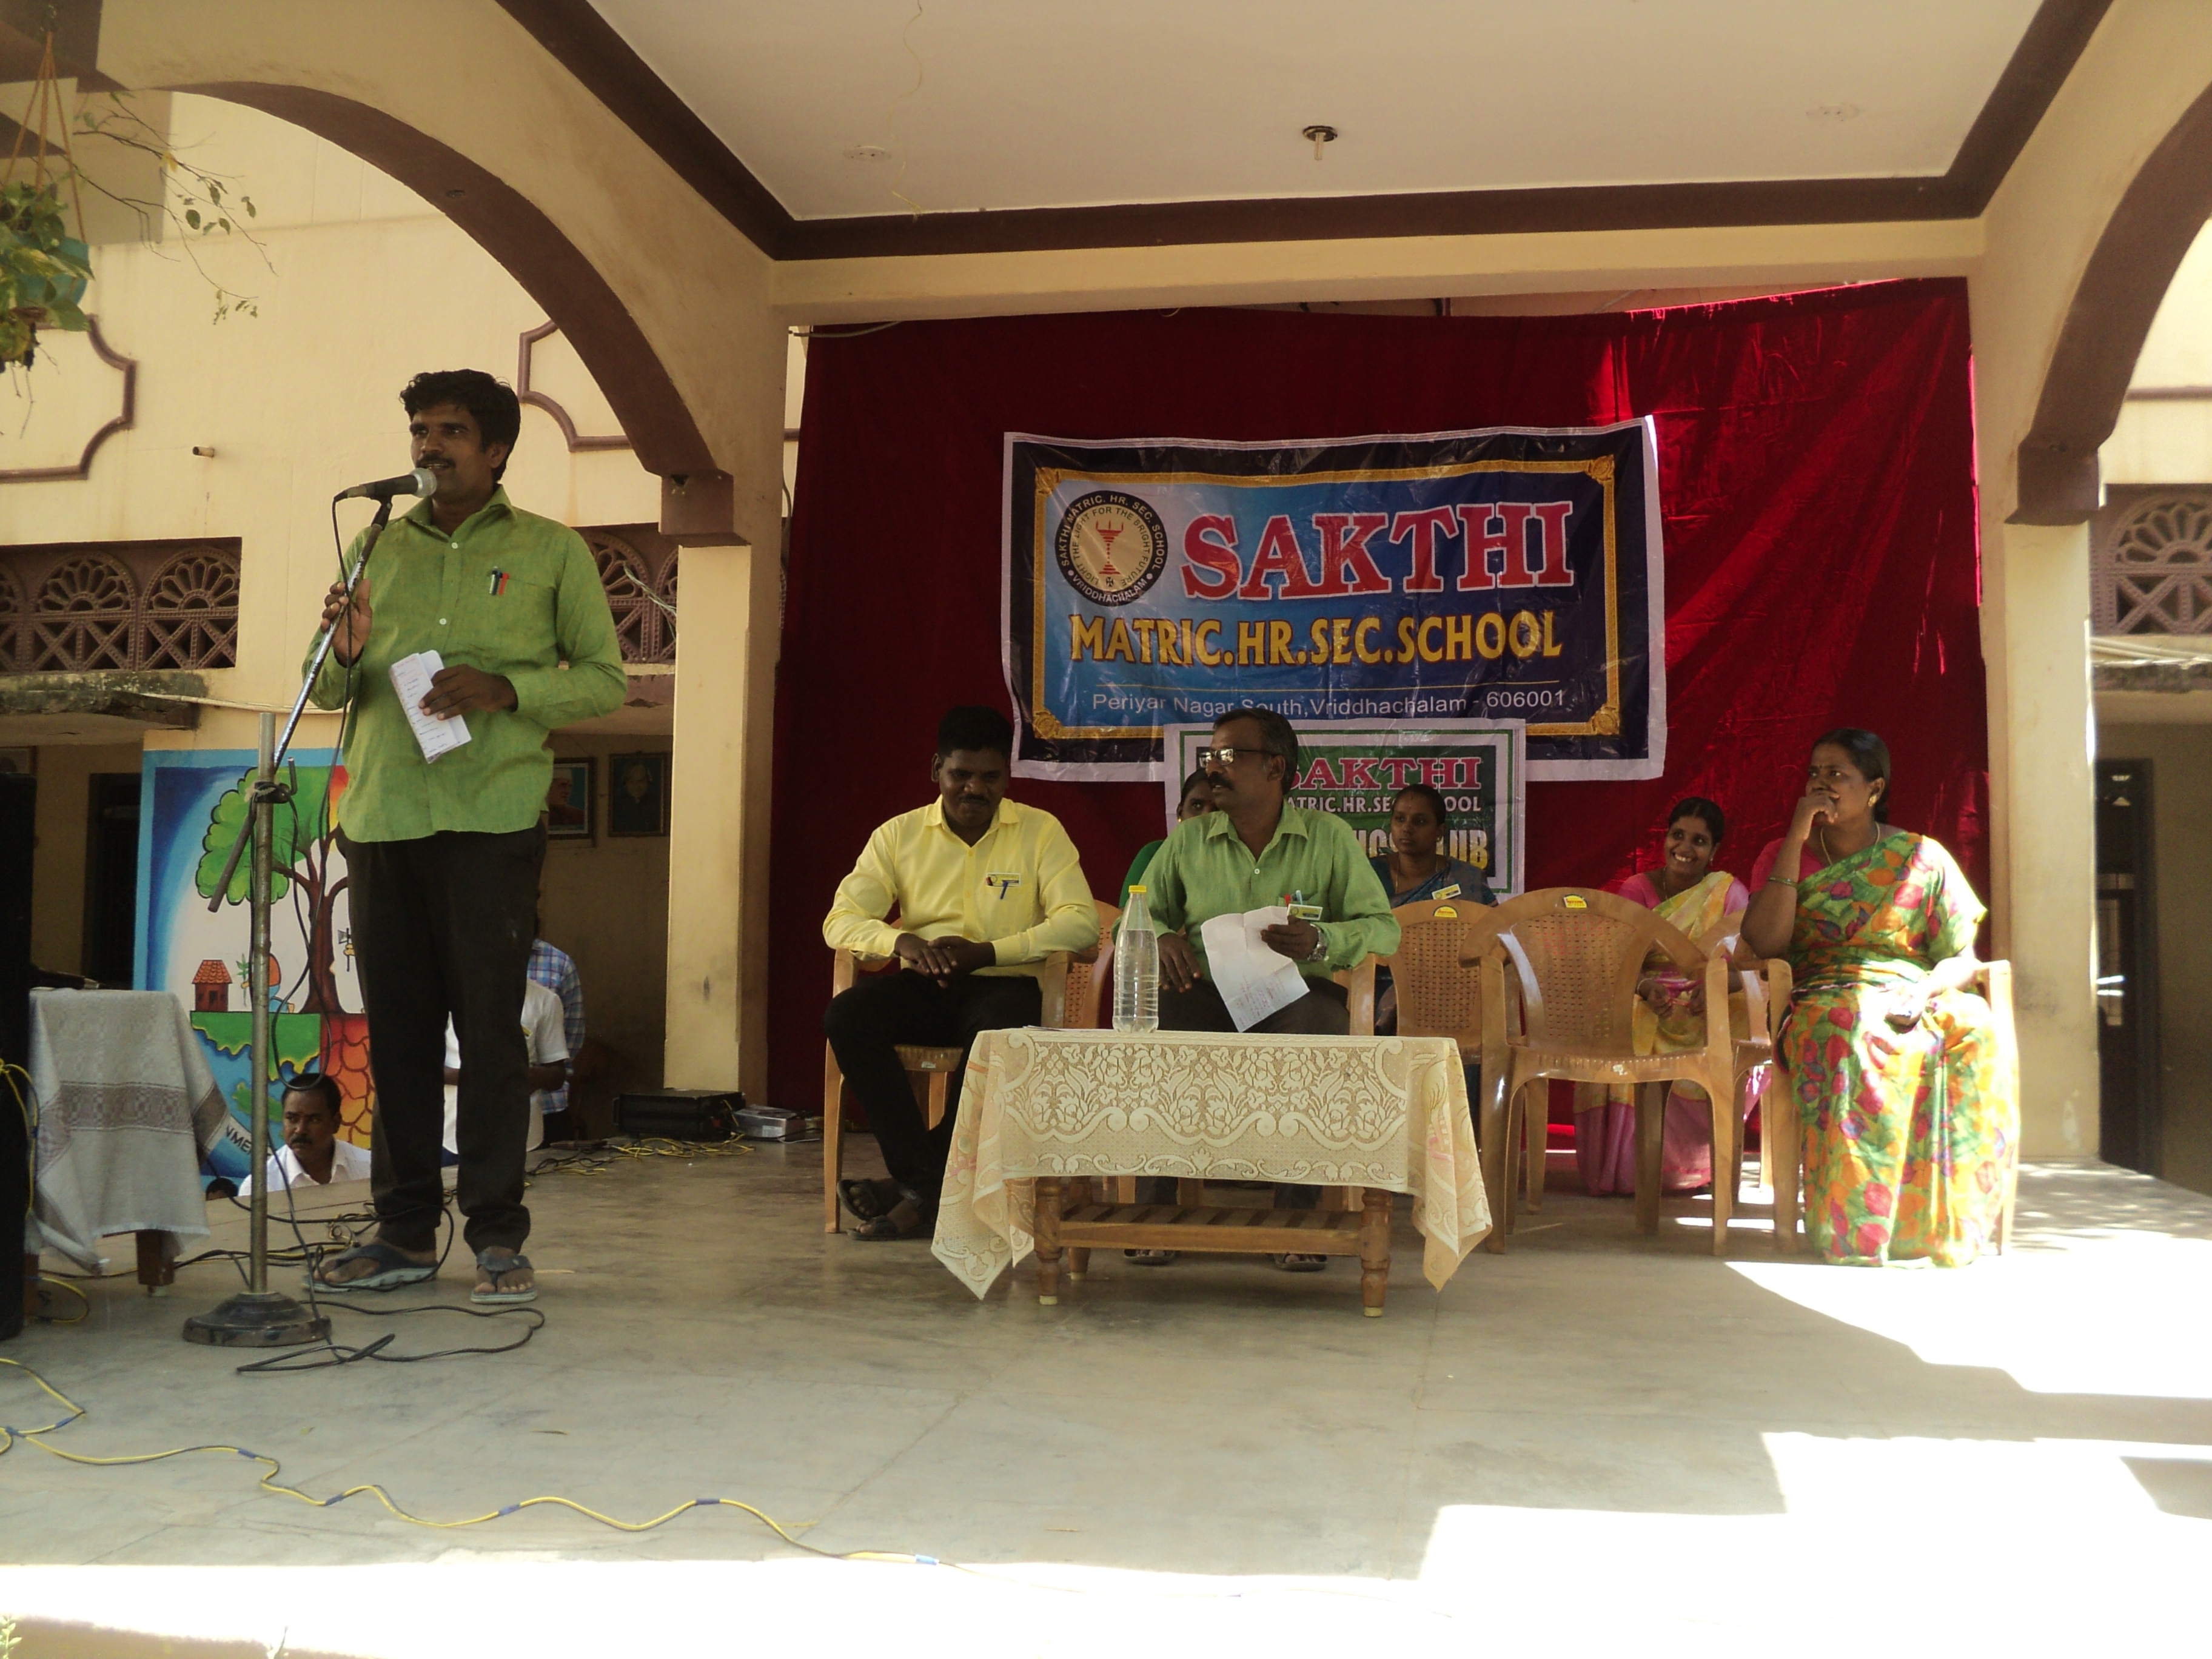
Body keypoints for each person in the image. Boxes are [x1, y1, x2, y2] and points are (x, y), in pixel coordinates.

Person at [307, 368, 625, 1305]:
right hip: (384, 818)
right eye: (419, 429)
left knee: (489, 1037)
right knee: (398, 1037)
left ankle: (495, 1237)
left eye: (449, 431)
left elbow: (606, 679)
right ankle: (404, 1233)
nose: (428, 446)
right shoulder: (375, 545)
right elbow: (328, 690)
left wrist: (507, 688)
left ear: (495, 450)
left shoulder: (551, 550)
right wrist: (345, 650)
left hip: (492, 820)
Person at [823, 705, 1100, 1241]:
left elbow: (1081, 923)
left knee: (1000, 1031)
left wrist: (989, 952)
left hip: (1004, 986)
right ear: (937, 770)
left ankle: (915, 1191)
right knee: (848, 1015)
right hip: (925, 985)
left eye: (990, 777)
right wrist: (902, 942)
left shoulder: (1041, 831)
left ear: (1007, 777)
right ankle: (925, 1184)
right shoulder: (899, 835)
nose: (975, 789)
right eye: (961, 774)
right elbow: (841, 920)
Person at [1740, 728, 2015, 1267]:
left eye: (1836, 774)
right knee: (1852, 1025)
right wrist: (1796, 836)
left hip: (1916, 987)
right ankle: (1857, 1229)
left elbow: (1962, 958)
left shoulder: (1922, 857)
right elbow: (1766, 943)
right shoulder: (1783, 853)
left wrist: (1923, 990)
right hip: (1824, 991)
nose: (1820, 785)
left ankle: (1942, 1227)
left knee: (1975, 1027)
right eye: (1814, 773)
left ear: (1874, 789)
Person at [1140, 707, 1400, 1271]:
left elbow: (1383, 928)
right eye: (1211, 755)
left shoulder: (1328, 837)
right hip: (1206, 993)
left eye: (1229, 756)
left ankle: (1297, 1221)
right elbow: (1138, 915)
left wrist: (1322, 940)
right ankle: (1152, 1215)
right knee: (1152, 1026)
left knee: (1319, 1030)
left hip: (1294, 996)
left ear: (1275, 768)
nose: (1214, 768)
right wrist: (1159, 936)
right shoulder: (1189, 840)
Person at [1572, 796, 1757, 1198]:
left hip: (1706, 1001)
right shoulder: (1637, 889)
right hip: (1644, 997)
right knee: (1629, 1018)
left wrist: (1718, 987)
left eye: (1699, 841)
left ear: (1714, 850)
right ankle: (1630, 1166)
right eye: (1678, 836)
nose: (1685, 848)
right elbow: (1615, 960)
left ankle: (1693, 1163)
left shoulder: (1727, 892)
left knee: (1737, 1019)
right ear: (1665, 838)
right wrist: (1643, 988)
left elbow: (1748, 967)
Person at [1368, 782, 1494, 1035]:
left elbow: (1493, 937)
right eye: (1400, 819)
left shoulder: (1464, 878)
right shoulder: (1369, 874)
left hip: (1450, 987)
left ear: (1439, 832)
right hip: (1378, 985)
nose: (1407, 828)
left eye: (1420, 821)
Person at [443, 976, 569, 1159]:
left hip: (522, 1138)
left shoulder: (545, 999)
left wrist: (529, 1076)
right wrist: (478, 1078)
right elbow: (424, 1069)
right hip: (455, 1136)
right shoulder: (449, 996)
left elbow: (557, 1075)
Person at [240, 1074, 370, 1197]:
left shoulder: (370, 1170)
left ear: (336, 1123)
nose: (300, 1130)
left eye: (314, 1120)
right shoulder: (259, 1188)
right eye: (292, 1119)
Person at [1120, 769, 1213, 911]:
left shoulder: (1239, 859)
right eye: (1197, 806)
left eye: (1219, 809)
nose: (1206, 816)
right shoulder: (1154, 853)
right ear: (1180, 813)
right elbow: (1128, 917)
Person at [527, 923, 586, 1140]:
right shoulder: (464, 964)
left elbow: (572, 1036)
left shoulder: (558, 964)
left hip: (548, 1105)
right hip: (470, 1113)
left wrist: (541, 1072)